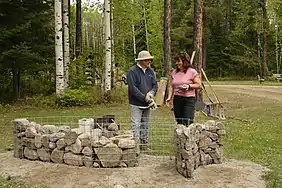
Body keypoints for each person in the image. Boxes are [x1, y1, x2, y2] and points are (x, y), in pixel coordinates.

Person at [127, 50, 158, 150]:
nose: (150, 61)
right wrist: (144, 98)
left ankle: (144, 145)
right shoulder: (132, 71)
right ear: (142, 61)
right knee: (135, 125)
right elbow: (133, 89)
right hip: (136, 104)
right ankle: (135, 146)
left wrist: (151, 93)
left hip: (147, 103)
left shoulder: (150, 71)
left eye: (150, 59)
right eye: (148, 60)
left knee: (145, 124)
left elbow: (155, 85)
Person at [166, 52, 202, 126]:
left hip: (188, 100)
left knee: (188, 122)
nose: (176, 63)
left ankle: (190, 137)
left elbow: (199, 85)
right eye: (176, 61)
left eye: (178, 61)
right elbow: (171, 86)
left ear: (184, 61)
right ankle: (181, 137)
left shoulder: (192, 71)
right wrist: (169, 97)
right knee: (179, 122)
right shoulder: (174, 72)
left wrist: (188, 86)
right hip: (177, 99)